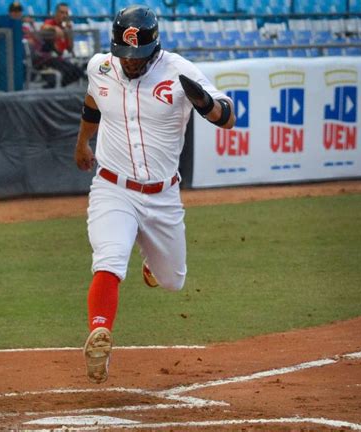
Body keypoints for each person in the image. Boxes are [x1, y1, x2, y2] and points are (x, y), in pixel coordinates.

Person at [75, 5, 235, 384]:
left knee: (173, 280)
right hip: (112, 187)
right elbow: (94, 99)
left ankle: (152, 260)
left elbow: (228, 117)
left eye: (138, 57)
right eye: (125, 56)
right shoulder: (100, 66)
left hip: (164, 195)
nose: (130, 64)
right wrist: (83, 141)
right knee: (110, 259)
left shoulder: (178, 71)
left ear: (155, 47)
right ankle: (100, 333)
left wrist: (206, 105)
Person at [37, 3, 84, 87]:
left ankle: (50, 87)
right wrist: (54, 28)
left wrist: (69, 33)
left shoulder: (65, 27)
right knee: (67, 71)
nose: (64, 15)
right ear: (56, 13)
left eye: (66, 13)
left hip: (60, 58)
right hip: (47, 58)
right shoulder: (51, 22)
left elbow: (70, 48)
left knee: (78, 71)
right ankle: (50, 87)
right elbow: (44, 27)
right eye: (62, 12)